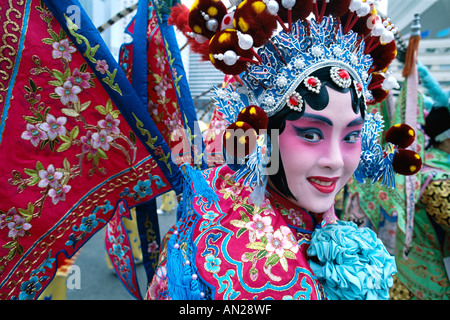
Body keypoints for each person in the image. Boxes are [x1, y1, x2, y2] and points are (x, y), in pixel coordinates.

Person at [146, 0, 414, 300]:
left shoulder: (316, 213)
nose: (336, 161)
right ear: (264, 134)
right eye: (311, 134)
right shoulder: (232, 249)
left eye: (351, 136)